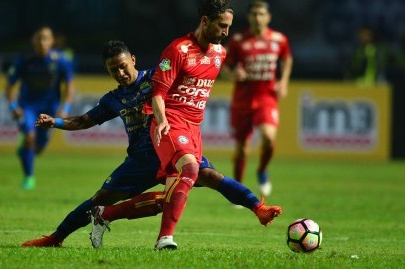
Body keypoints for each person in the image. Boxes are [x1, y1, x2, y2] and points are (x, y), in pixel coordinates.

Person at [21, 40, 281, 249]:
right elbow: (83, 120)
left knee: (211, 176)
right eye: (114, 70)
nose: (121, 74)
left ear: (133, 59)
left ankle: (258, 208)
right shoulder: (113, 99)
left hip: (171, 144)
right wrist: (54, 121)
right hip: (141, 159)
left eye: (123, 66)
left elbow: (189, 76)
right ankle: (56, 238)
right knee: (100, 198)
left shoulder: (156, 77)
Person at [142, 0, 238, 250]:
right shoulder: (178, 50)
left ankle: (105, 213)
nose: (226, 32)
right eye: (222, 26)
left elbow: (204, 79)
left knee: (172, 192)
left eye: (229, 27)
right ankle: (165, 239)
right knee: (192, 171)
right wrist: (161, 121)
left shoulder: (220, 53)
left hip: (194, 128)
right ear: (205, 20)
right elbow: (158, 94)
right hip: (171, 122)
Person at [221, 0, 293, 197]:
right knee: (242, 150)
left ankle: (261, 170)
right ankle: (237, 188)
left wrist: (284, 81)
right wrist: (233, 74)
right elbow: (224, 67)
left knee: (269, 139)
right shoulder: (238, 40)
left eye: (261, 14)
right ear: (249, 17)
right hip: (243, 100)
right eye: (253, 14)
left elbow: (287, 59)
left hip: (266, 97)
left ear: (268, 17)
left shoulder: (279, 39)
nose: (257, 17)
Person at [5, 26, 75, 190]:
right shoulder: (24, 60)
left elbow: (70, 86)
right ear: (33, 41)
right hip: (27, 106)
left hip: (50, 108)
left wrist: (65, 108)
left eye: (46, 38)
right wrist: (14, 106)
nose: (42, 42)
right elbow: (9, 87)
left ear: (52, 41)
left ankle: (24, 152)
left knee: (39, 147)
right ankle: (29, 178)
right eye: (39, 38)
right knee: (30, 137)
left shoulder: (61, 61)